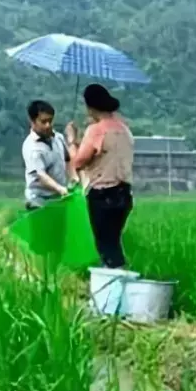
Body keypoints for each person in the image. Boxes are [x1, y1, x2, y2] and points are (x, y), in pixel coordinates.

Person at [66, 84, 135, 268]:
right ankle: (118, 279)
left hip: (103, 195)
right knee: (113, 241)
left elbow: (79, 162)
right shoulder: (124, 129)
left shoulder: (96, 130)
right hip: (124, 194)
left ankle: (113, 286)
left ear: (90, 107)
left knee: (105, 245)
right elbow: (103, 154)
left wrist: (71, 141)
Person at [21, 100, 72, 210]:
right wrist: (60, 188)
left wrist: (74, 177)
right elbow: (41, 176)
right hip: (39, 199)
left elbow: (68, 159)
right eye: (43, 122)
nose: (48, 125)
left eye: (50, 121)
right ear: (33, 122)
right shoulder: (31, 147)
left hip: (58, 196)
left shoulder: (58, 137)